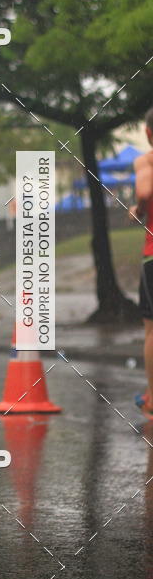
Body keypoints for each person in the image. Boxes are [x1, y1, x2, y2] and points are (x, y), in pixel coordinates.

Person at [131, 111, 153, 415]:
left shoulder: (146, 161)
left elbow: (145, 190)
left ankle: (152, 397)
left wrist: (139, 207)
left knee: (152, 330)